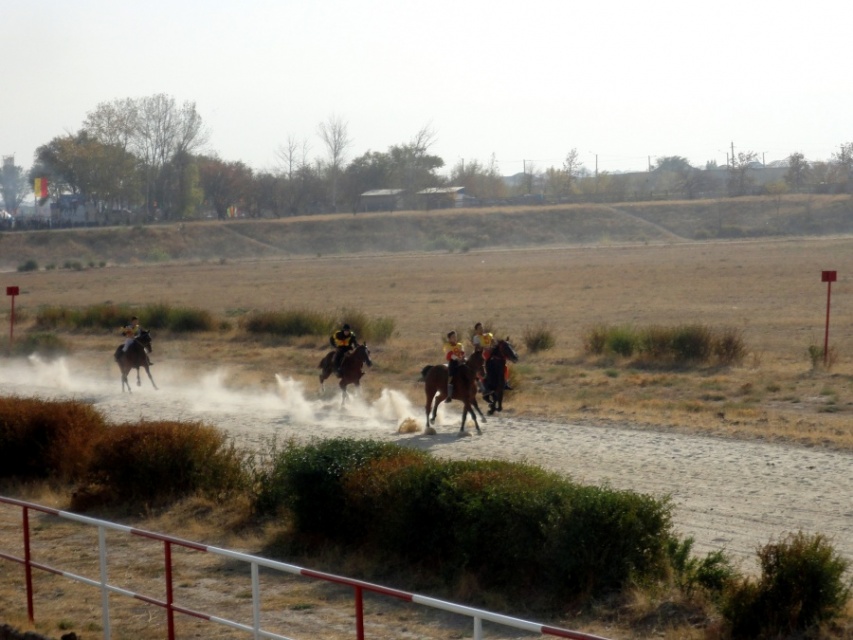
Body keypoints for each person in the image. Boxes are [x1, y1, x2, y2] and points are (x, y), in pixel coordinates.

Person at [443, 330, 465, 403]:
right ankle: (449, 396)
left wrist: (462, 358)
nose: (455, 338)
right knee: (451, 376)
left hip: (461, 361)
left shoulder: (460, 345)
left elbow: (462, 352)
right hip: (453, 363)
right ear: (449, 339)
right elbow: (450, 355)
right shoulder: (447, 346)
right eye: (453, 337)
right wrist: (457, 359)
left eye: (455, 336)